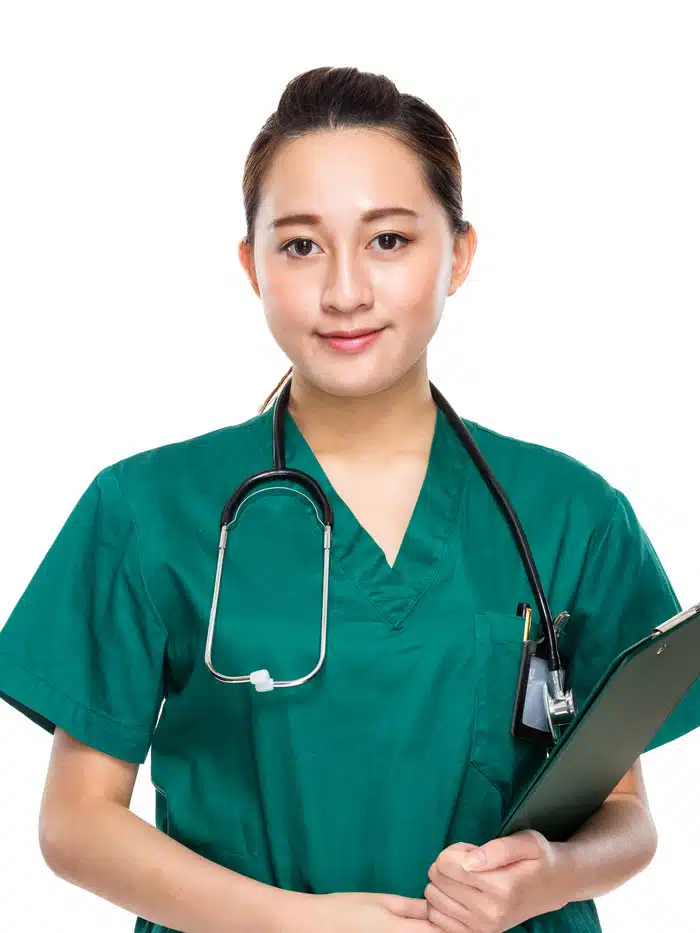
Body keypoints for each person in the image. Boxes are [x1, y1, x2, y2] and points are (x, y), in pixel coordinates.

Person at [0, 64, 698, 933]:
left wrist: (551, 873)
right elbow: (74, 824)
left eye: (389, 241)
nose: (343, 291)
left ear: (461, 254)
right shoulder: (146, 509)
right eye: (300, 245)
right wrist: (295, 923)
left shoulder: (573, 514)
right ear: (251, 266)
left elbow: (628, 817)